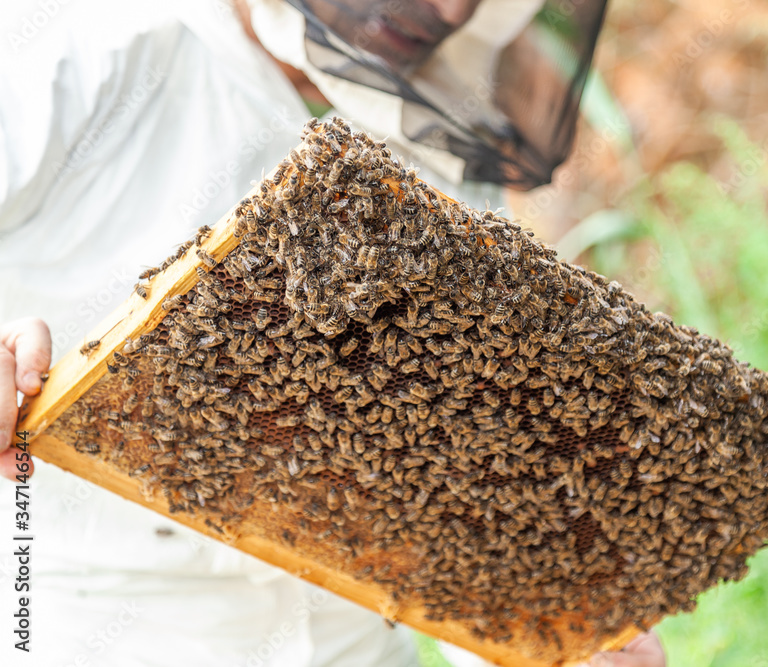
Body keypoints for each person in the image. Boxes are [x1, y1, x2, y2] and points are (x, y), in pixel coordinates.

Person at [0, 1, 666, 665]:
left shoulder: (439, 125)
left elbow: (450, 471)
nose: (454, 8)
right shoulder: (75, 48)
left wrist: (535, 638)